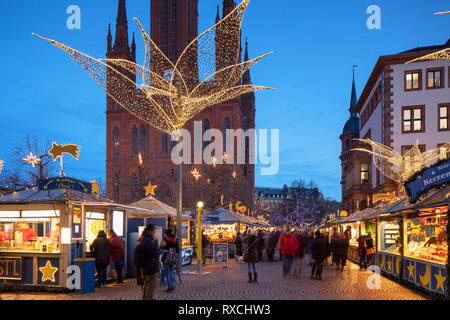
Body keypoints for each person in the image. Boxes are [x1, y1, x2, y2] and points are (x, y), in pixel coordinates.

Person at [133, 224, 159, 300]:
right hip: (150, 267)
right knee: (150, 287)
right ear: (150, 231)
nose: (154, 233)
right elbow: (153, 252)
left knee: (146, 286)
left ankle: (145, 298)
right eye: (153, 231)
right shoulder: (148, 241)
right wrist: (156, 246)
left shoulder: (143, 240)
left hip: (145, 267)